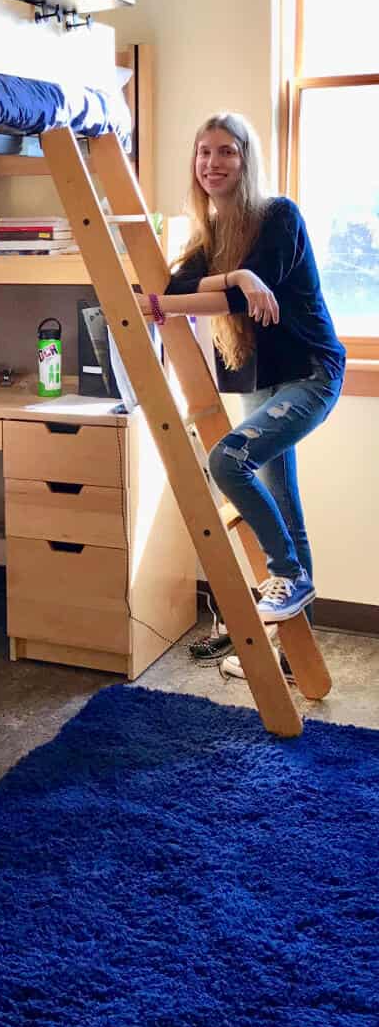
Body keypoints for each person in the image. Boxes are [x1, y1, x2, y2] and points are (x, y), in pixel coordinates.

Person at [140, 113, 345, 681]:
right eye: (204, 152)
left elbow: (204, 301)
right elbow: (179, 288)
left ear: (246, 159)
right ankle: (291, 652)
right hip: (260, 380)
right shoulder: (210, 234)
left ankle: (286, 573)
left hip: (311, 372)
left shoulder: (278, 215)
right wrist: (234, 279)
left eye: (226, 152)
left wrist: (237, 285)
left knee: (227, 460)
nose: (213, 163)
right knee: (282, 498)